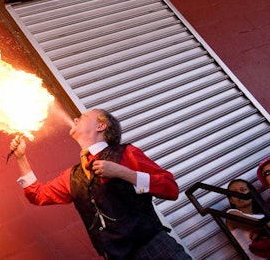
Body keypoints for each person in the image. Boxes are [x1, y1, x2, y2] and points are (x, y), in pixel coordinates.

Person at [10, 108, 191, 260]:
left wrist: (122, 172)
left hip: (155, 249)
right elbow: (37, 195)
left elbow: (170, 188)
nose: (75, 119)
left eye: (83, 117)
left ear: (101, 126)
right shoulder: (72, 176)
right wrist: (21, 157)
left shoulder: (126, 153)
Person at [226, 179, 268, 259]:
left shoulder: (262, 215)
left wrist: (259, 233)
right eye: (235, 193)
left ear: (251, 193)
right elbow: (259, 226)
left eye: (243, 190)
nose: (239, 194)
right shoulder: (231, 214)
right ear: (231, 200)